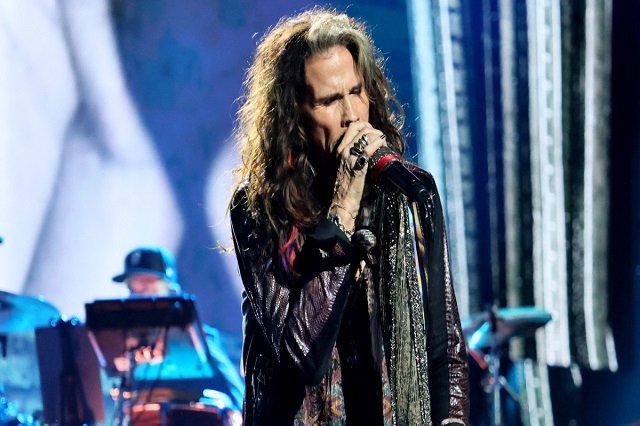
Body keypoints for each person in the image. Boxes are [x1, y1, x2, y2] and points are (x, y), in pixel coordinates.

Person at [229, 8, 469, 426]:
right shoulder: (259, 207)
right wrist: (343, 205)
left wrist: (452, 419)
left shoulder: (409, 193)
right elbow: (301, 354)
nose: (352, 115)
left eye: (356, 92)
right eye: (329, 101)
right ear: (294, 116)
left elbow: (443, 342)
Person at [111, 246, 244, 411]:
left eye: (147, 285)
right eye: (132, 288)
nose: (139, 296)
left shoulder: (200, 340)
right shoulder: (119, 348)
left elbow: (237, 398)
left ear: (171, 288)